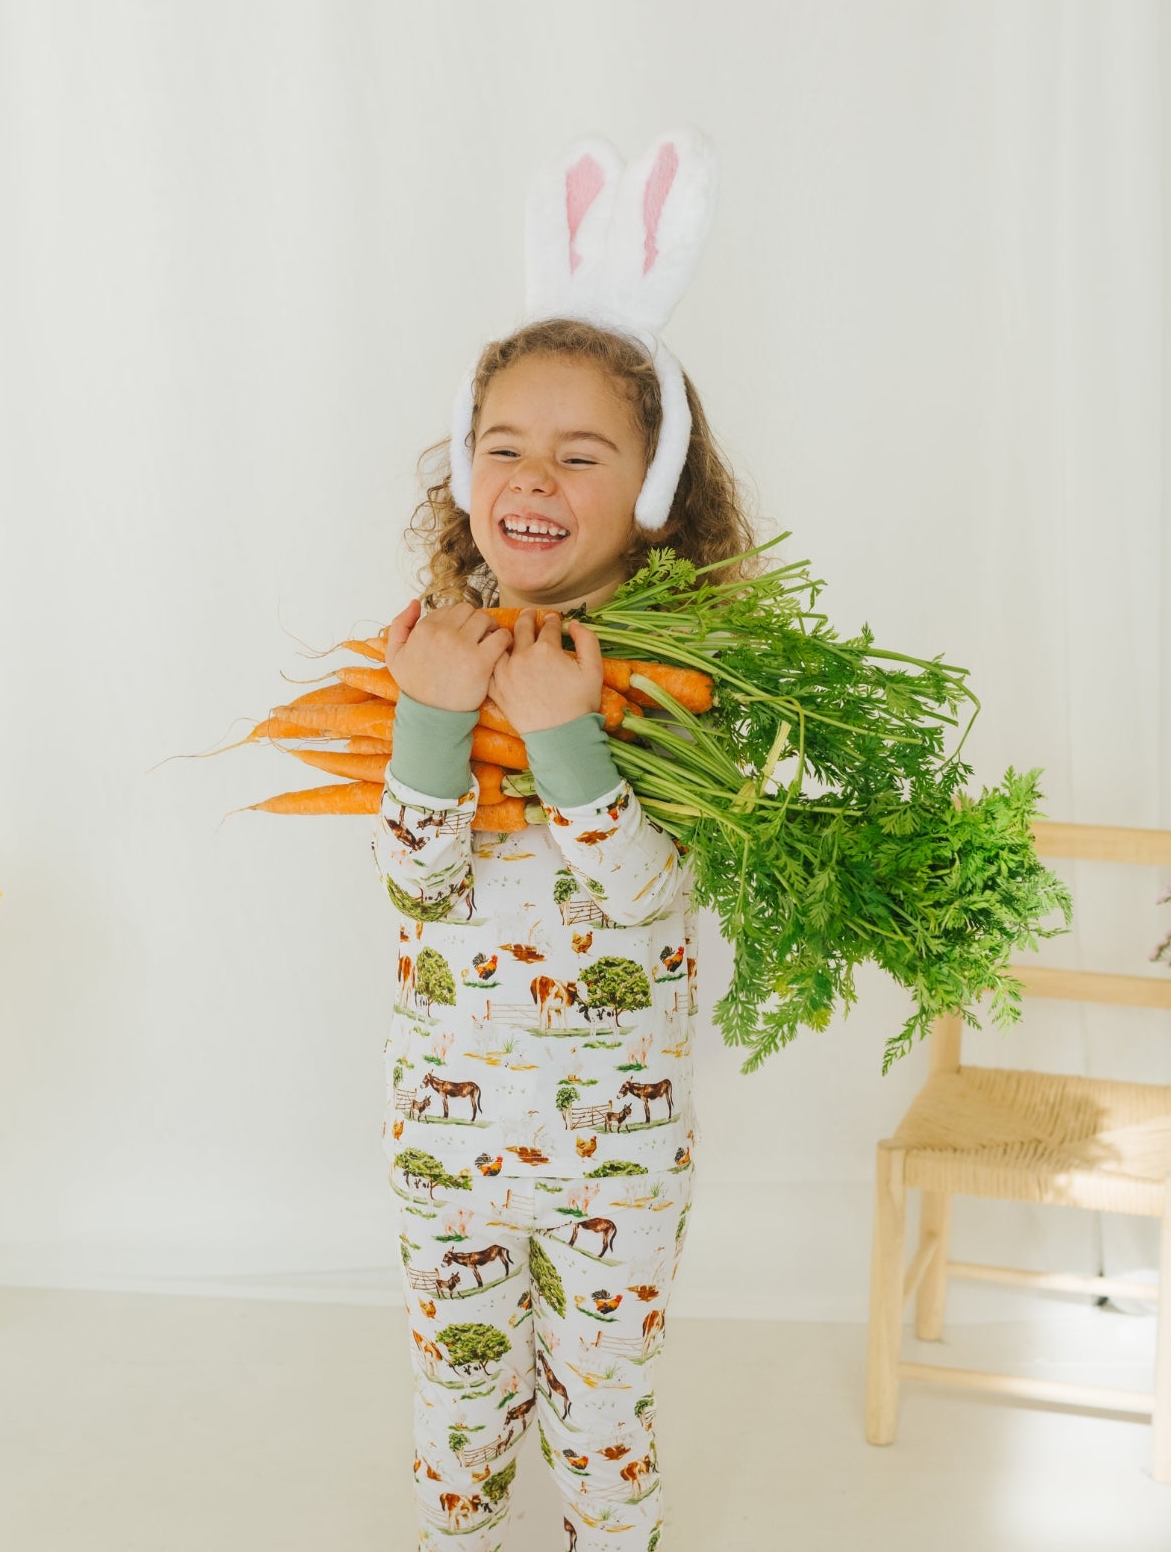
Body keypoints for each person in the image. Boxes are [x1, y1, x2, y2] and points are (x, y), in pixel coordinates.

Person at [371, 312, 762, 1552]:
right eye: (503, 448)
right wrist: (433, 717)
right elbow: (416, 884)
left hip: (618, 1163)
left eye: (581, 455)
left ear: (653, 494)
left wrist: (563, 736)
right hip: (449, 1149)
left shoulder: (691, 685)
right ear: (465, 474)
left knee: (602, 1428)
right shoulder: (439, 653)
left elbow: (647, 897)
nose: (534, 477)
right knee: (457, 1419)